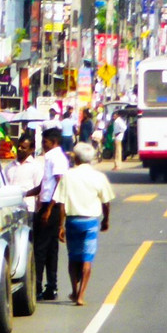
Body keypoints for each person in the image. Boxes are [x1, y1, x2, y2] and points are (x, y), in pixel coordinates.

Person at [57, 141, 115, 305]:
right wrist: (106, 220)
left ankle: (74, 292)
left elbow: (61, 204)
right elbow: (106, 202)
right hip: (90, 222)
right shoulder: (99, 177)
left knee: (73, 257)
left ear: (75, 157)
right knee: (87, 259)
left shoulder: (68, 176)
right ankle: (81, 296)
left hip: (72, 221)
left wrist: (60, 226)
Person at [27, 128, 69, 300]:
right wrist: (25, 194)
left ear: (54, 142)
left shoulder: (57, 157)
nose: (43, 146)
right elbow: (45, 185)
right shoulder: (50, 157)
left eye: (45, 142)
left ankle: (37, 287)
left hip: (52, 206)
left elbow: (60, 184)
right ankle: (51, 287)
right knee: (51, 249)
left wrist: (49, 209)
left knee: (40, 249)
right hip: (46, 204)